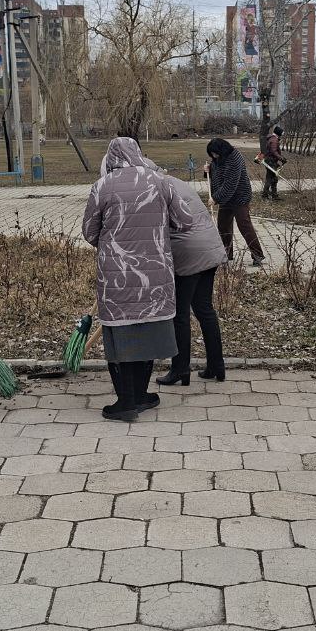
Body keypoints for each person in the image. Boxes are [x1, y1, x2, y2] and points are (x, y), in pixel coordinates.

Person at [83, 137, 193, 421]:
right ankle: (141, 395)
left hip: (116, 277)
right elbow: (185, 221)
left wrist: (113, 243)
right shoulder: (161, 182)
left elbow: (89, 232)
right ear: (138, 154)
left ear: (111, 157)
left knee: (120, 337)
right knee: (148, 335)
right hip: (155, 276)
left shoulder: (102, 186)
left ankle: (126, 402)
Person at [157, 176, 229, 386]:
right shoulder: (174, 181)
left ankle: (180, 369)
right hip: (209, 247)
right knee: (205, 309)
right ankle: (217, 366)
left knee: (180, 314)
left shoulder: (154, 187)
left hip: (188, 253)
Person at [205, 137, 264, 266]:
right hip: (226, 198)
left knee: (244, 225)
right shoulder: (219, 157)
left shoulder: (234, 158)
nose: (214, 156)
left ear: (222, 150)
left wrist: (215, 198)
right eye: (212, 154)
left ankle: (257, 254)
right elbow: (217, 171)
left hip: (239, 196)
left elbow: (230, 184)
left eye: (215, 153)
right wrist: (208, 169)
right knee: (223, 226)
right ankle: (226, 253)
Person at [260, 123, 286, 200]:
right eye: (281, 133)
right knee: (272, 179)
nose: (282, 135)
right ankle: (269, 195)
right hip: (271, 161)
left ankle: (269, 195)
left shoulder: (272, 138)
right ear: (278, 133)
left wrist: (281, 158)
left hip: (269, 161)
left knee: (271, 178)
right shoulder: (274, 140)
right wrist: (281, 159)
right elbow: (274, 152)